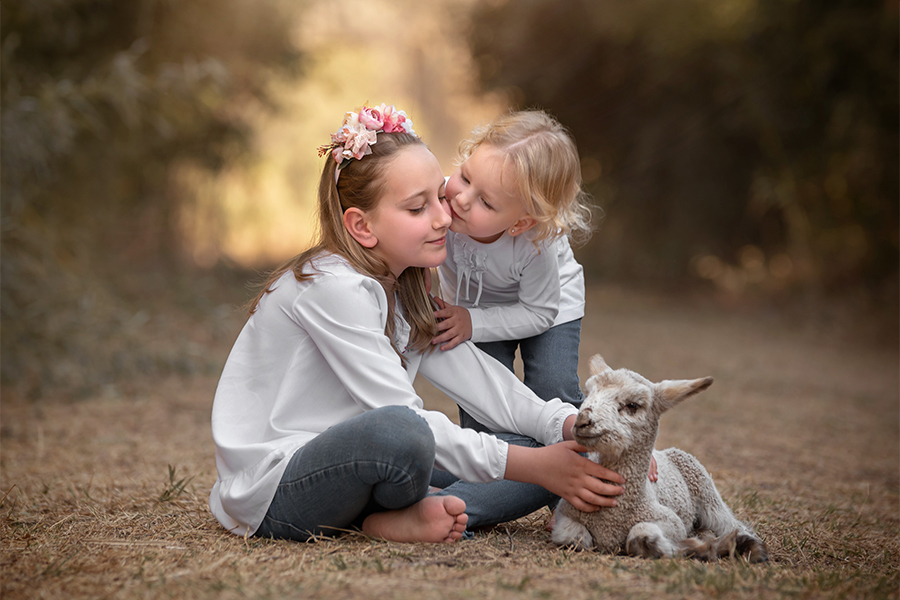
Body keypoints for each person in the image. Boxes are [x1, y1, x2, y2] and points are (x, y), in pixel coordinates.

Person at [208, 104, 625, 544]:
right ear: (362, 227)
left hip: (366, 464)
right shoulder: (334, 288)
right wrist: (533, 467)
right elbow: (402, 420)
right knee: (404, 431)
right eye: (417, 208)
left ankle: (404, 512)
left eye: (437, 196)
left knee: (538, 449)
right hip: (278, 488)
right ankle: (388, 514)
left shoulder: (403, 288)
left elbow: (489, 386)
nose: (446, 217)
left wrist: (580, 429)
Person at [432, 110, 592, 434]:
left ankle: (578, 450)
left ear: (521, 223)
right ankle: (492, 473)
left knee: (552, 386)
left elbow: (539, 312)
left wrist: (471, 322)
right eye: (464, 176)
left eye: (486, 203)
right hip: (475, 306)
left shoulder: (536, 244)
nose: (461, 199)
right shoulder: (438, 203)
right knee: (480, 395)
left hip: (548, 306)